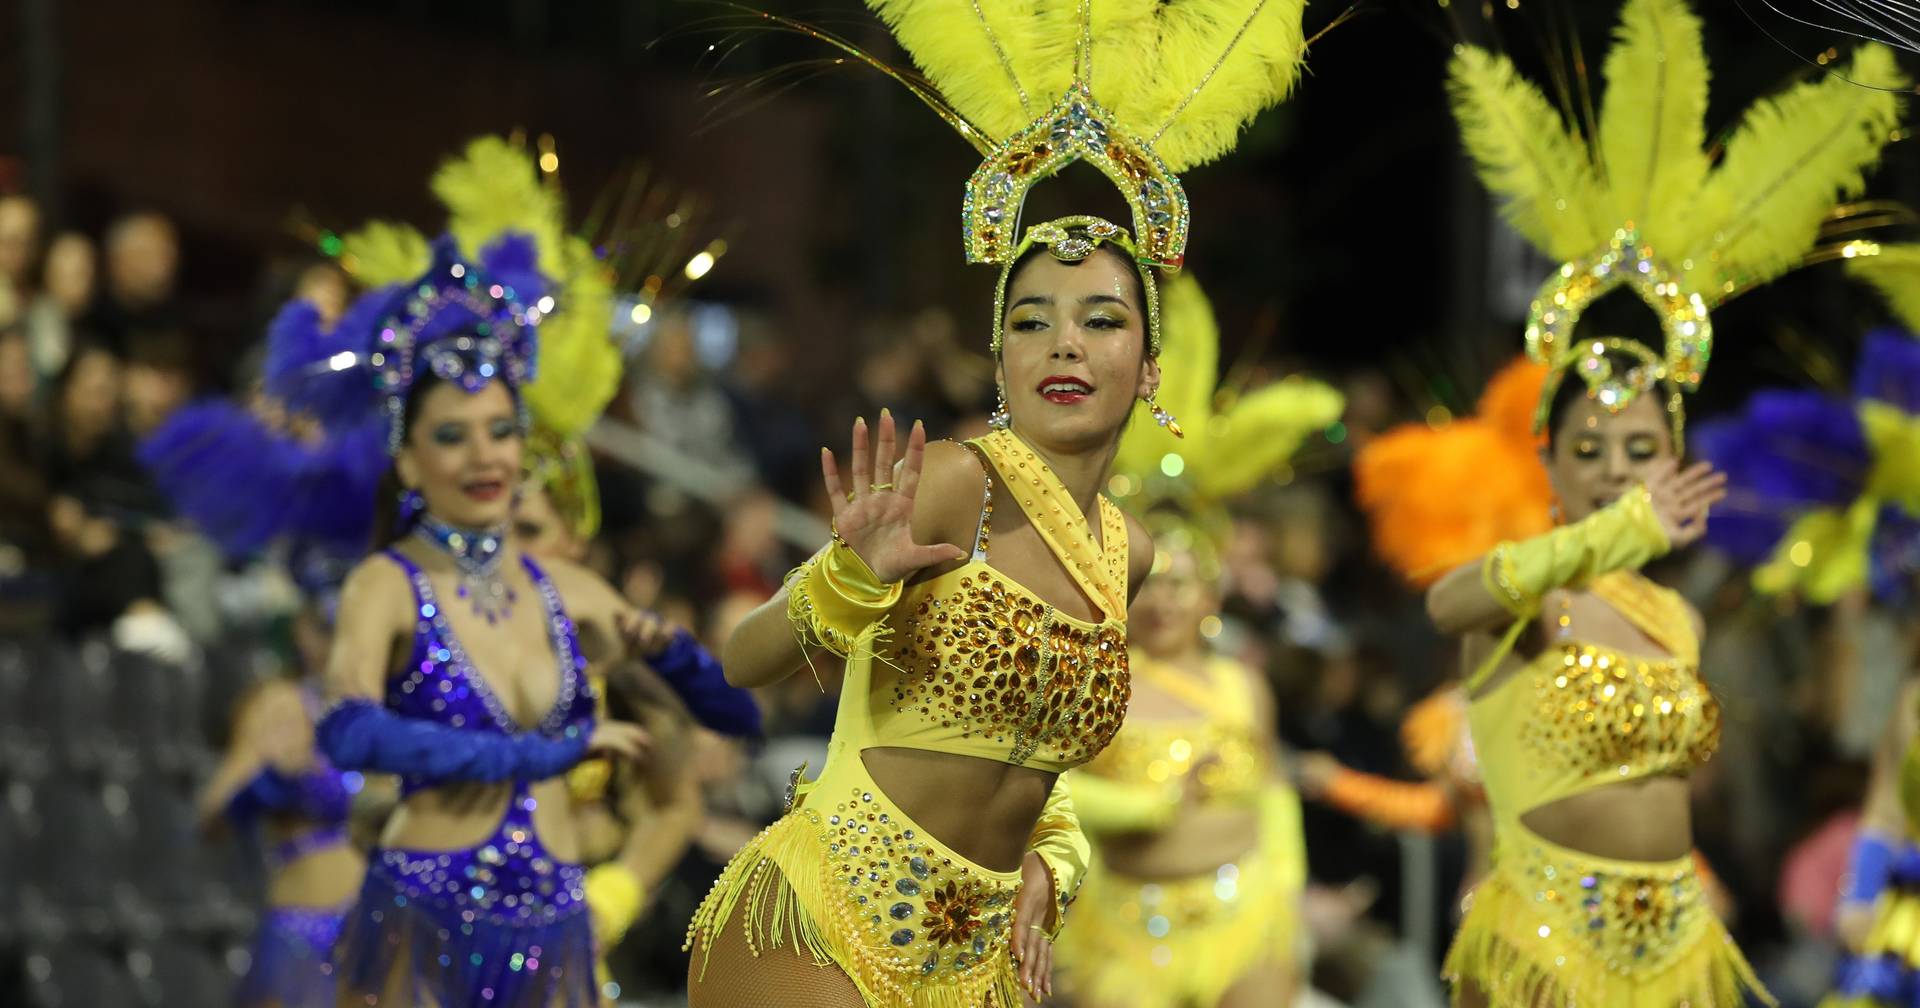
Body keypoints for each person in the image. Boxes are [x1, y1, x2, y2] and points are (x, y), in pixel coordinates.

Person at [684, 4, 1311, 1004]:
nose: (1064, 343)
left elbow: (1038, 763)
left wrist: (1054, 861)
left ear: (1148, 368)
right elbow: (742, 662)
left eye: (1101, 320)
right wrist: (847, 579)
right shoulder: (955, 484)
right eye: (1031, 321)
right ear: (1000, 358)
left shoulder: (1131, 552)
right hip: (824, 924)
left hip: (978, 961)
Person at [1433, 2, 1905, 1002]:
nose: (1616, 469)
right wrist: (1607, 535)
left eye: (1640, 450)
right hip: (1546, 941)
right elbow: (1447, 602)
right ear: (1549, 461)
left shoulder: (1676, 616)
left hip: (1679, 944)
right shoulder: (1526, 599)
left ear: (1675, 457)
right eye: (1590, 450)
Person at [1050, 273, 1342, 1008]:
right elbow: (1052, 792)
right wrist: (1149, 808)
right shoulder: (1093, 681)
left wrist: (1286, 891)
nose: (1165, 600)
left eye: (1183, 583)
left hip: (1245, 923)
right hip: (1124, 932)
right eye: (1151, 582)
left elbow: (1273, 792)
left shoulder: (1244, 685)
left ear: (1210, 595)